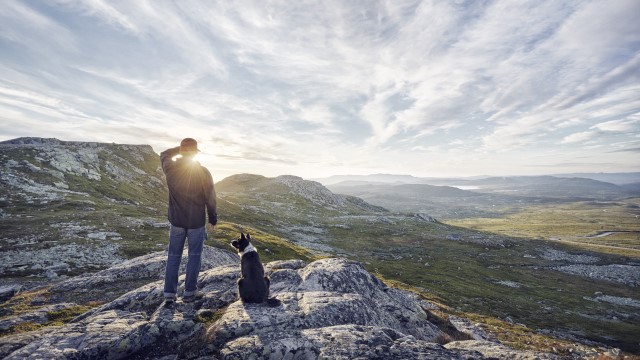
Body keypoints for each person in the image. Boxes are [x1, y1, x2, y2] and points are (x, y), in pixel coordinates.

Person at [160, 138, 217, 307]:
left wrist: (181, 149)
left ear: (182, 151)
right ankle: (189, 293)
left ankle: (169, 294)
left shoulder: (170, 168)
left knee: (173, 256)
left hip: (176, 221)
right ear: (194, 153)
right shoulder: (203, 172)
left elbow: (164, 154)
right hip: (196, 223)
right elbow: (210, 198)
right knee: (194, 257)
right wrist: (213, 218)